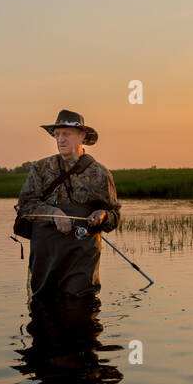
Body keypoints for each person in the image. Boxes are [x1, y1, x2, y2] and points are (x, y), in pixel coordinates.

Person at [15, 109, 121, 302]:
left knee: (81, 307)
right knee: (43, 307)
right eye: (57, 134)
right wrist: (53, 213)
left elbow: (114, 215)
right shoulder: (40, 168)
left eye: (66, 134)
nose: (60, 139)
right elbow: (25, 206)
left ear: (82, 136)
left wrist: (103, 215)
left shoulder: (100, 173)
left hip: (82, 258)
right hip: (45, 257)